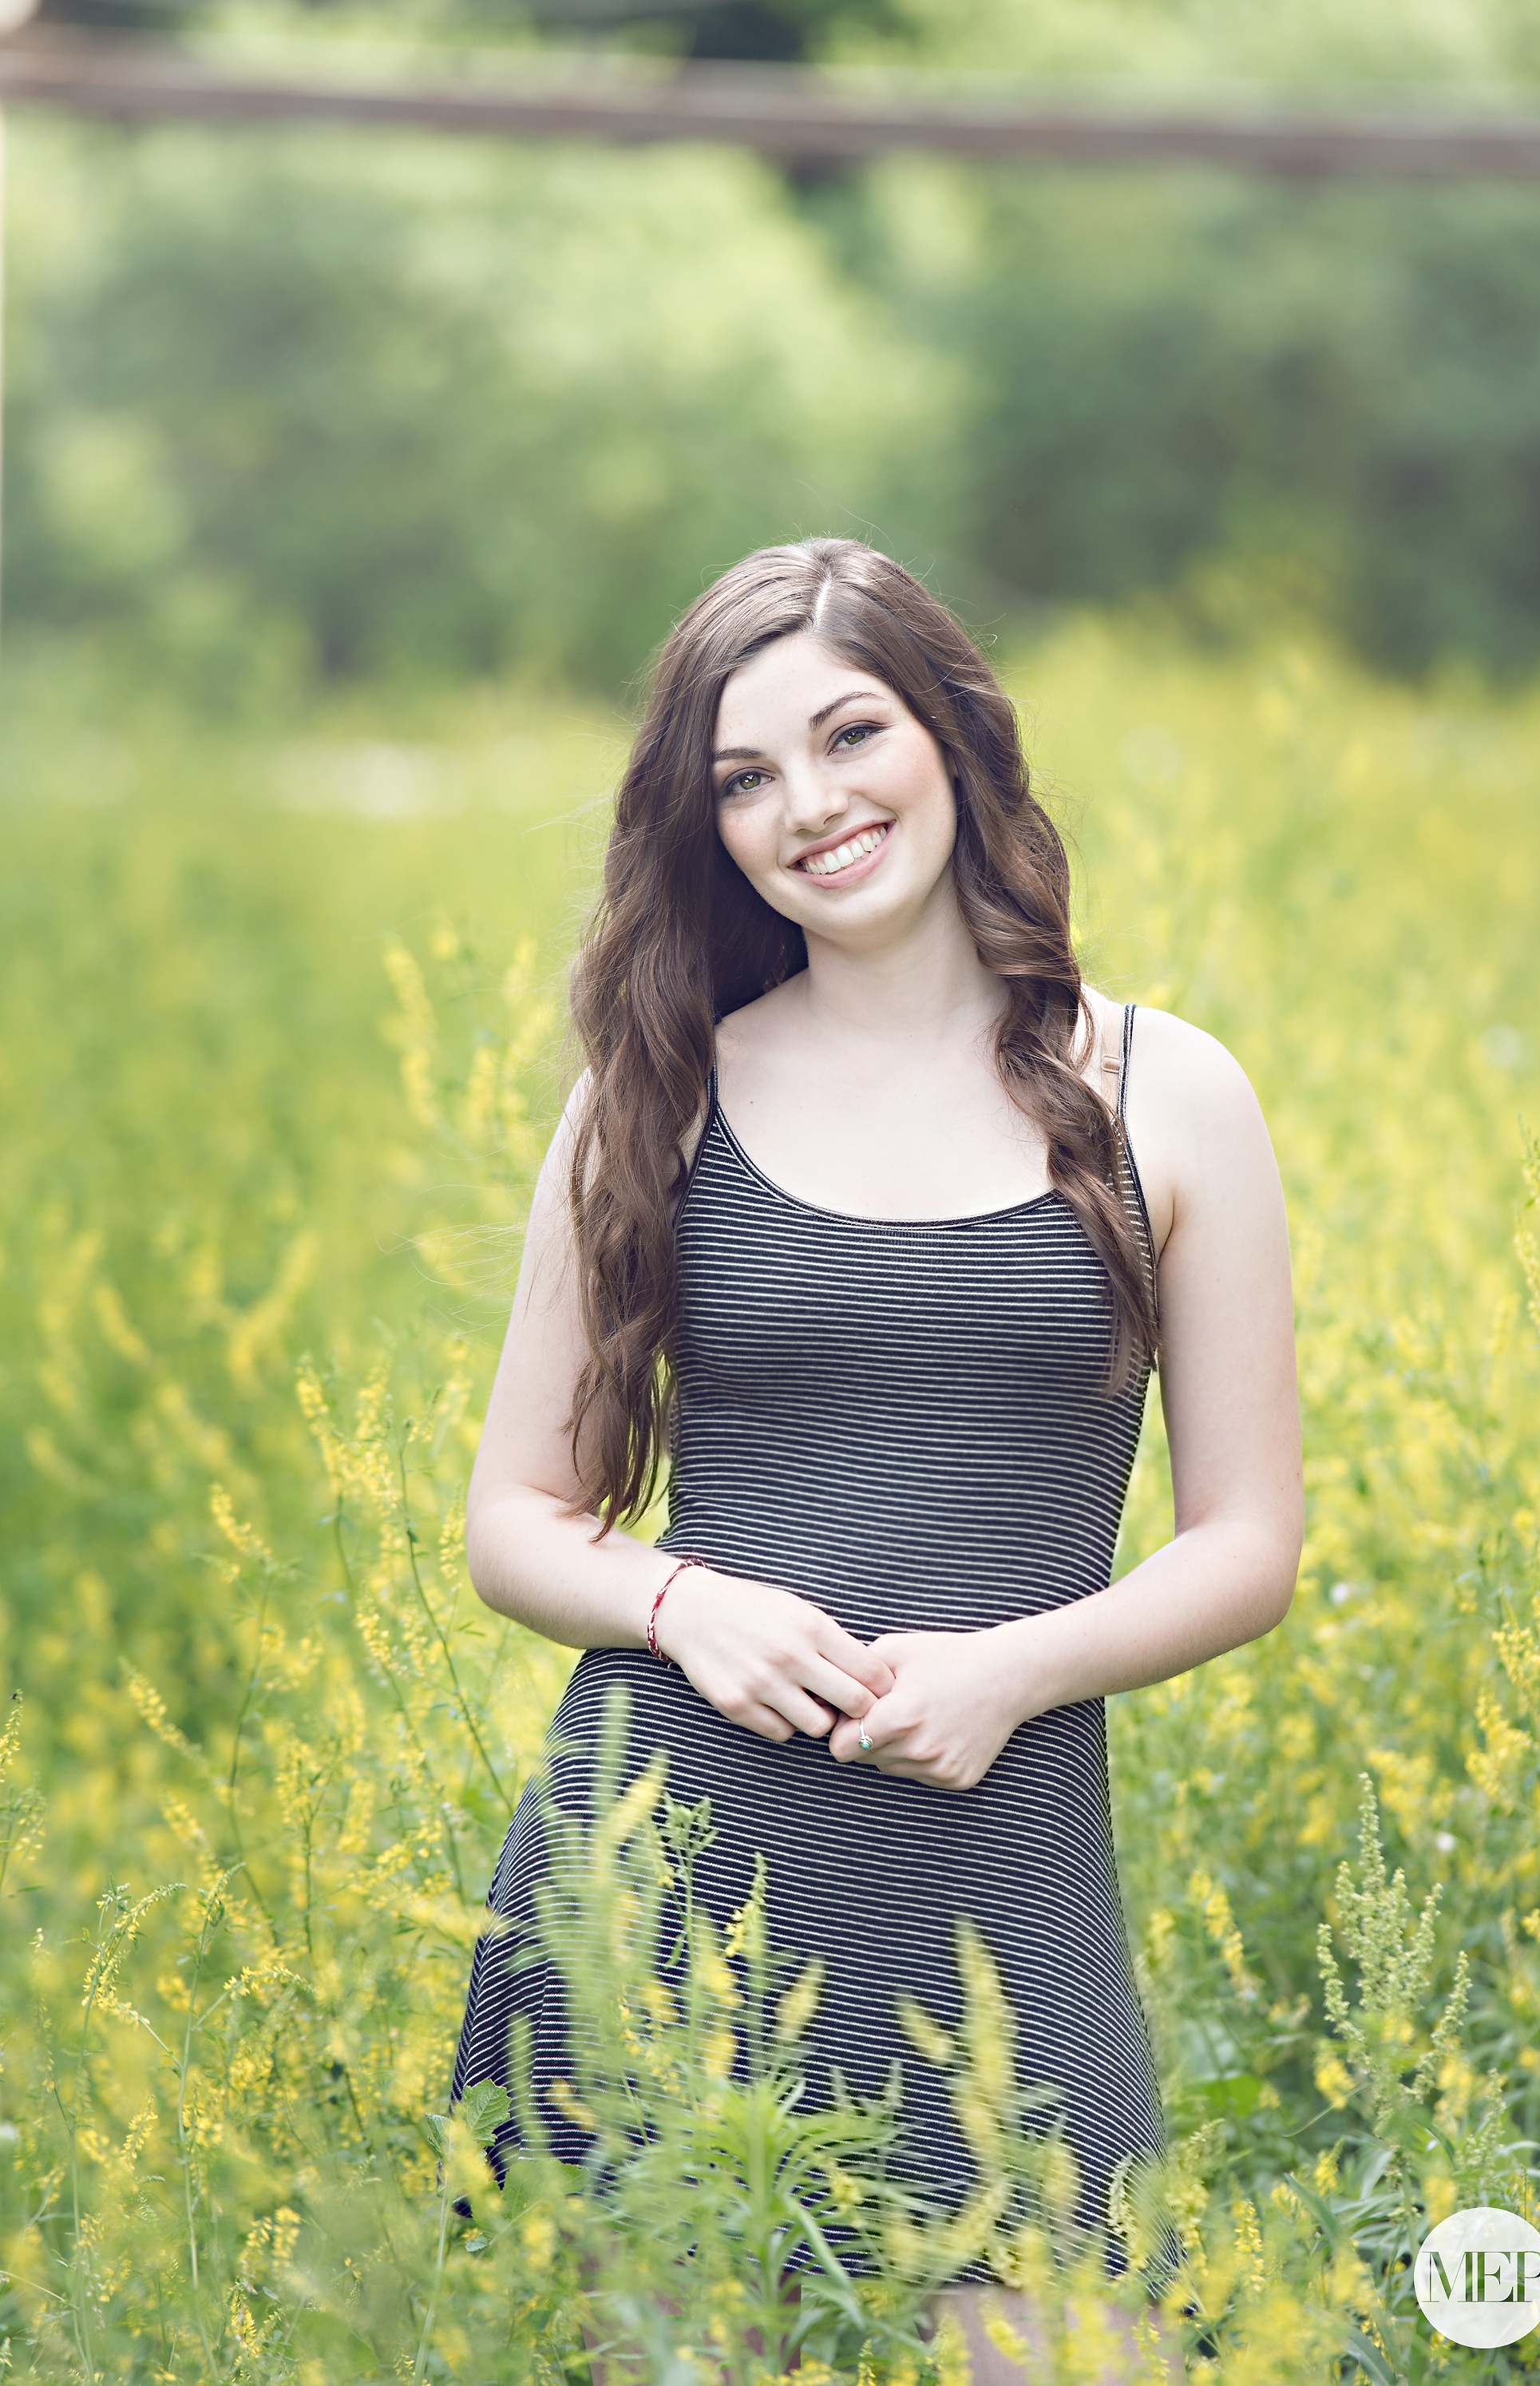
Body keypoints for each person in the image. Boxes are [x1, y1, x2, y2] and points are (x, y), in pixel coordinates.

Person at [451, 537, 1303, 2383]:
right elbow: (514, 1520)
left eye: (851, 735)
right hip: (660, 1883)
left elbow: (1248, 1542)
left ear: (956, 737)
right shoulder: (656, 1091)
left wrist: (1019, 1665)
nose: (808, 807)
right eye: (742, 778)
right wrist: (683, 1607)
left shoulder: (1172, 1092)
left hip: (1005, 1875)